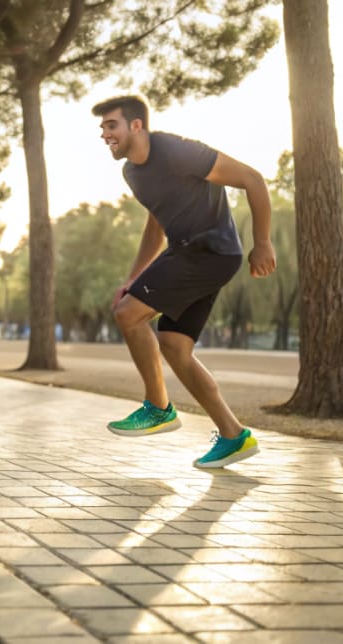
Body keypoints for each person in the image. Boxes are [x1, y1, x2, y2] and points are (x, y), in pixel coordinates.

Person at [93, 94, 276, 470]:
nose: (105, 134)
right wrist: (135, 277)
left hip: (209, 250)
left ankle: (158, 408)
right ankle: (233, 435)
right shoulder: (133, 172)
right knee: (174, 347)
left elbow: (252, 180)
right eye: (102, 128)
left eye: (111, 125)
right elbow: (156, 224)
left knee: (128, 315)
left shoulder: (178, 152)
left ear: (137, 125)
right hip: (190, 254)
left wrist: (263, 242)